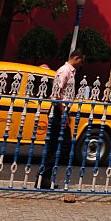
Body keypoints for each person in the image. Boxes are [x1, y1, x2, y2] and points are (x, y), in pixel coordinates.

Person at [38, 49, 85, 189]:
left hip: (63, 110)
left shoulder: (71, 72)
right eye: (81, 61)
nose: (82, 64)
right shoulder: (64, 71)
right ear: (76, 58)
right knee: (60, 145)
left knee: (57, 146)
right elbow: (56, 93)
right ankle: (43, 178)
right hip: (58, 111)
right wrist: (64, 112)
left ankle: (43, 179)